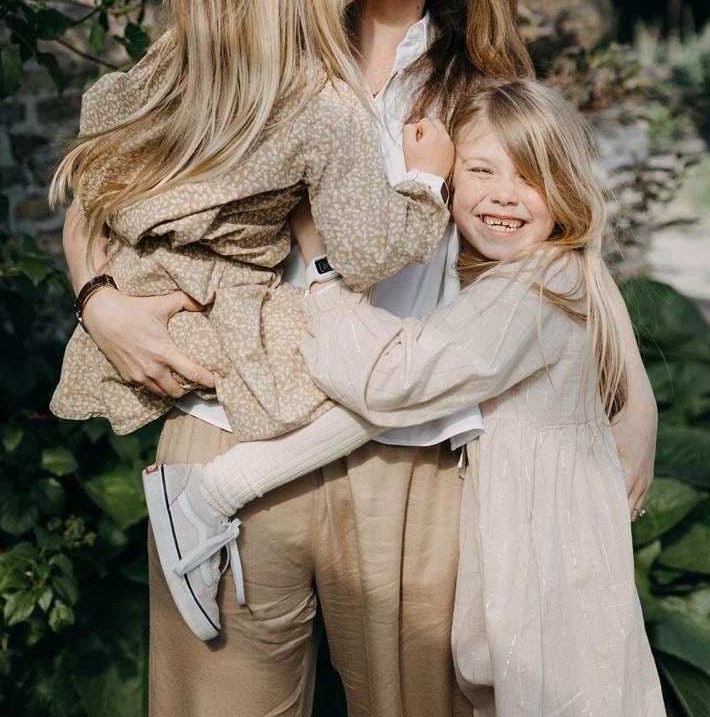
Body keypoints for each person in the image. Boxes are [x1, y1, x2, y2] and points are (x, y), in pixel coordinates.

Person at [62, 0, 659, 716]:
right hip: (225, 429)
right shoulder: (231, 45)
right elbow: (99, 194)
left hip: (405, 458)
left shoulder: (477, 87)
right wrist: (100, 303)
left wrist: (636, 394)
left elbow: (559, 231)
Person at [148, 77, 664, 715]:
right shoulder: (543, 272)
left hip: (546, 572)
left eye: (532, 177)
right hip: (533, 562)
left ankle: (212, 493)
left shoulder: (539, 287)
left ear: (566, 191)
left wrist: (324, 272)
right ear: (453, 179)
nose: (505, 194)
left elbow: (395, 379)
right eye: (481, 170)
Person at [50, 0, 454, 469]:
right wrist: (424, 183)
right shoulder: (324, 104)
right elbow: (368, 251)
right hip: (225, 332)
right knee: (387, 377)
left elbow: (96, 182)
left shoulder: (178, 60)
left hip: (148, 294)